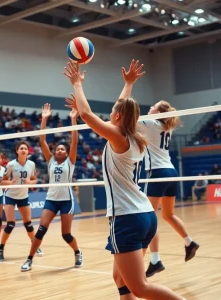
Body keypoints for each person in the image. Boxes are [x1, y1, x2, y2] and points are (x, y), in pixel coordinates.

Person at [62, 61, 186, 300]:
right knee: (120, 280)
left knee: (140, 287)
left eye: (112, 113)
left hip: (127, 218)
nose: (109, 113)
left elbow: (87, 115)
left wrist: (77, 84)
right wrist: (128, 84)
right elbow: (122, 108)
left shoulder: (119, 136)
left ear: (117, 117)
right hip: (144, 216)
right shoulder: (134, 136)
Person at [119, 59, 199, 278]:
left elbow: (126, 113)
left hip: (157, 174)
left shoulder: (152, 123)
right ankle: (189, 242)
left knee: (149, 217)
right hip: (171, 172)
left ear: (158, 111)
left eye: (153, 106)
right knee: (169, 215)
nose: (150, 107)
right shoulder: (165, 128)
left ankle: (154, 260)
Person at [21, 100, 82, 272]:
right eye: (58, 149)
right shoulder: (51, 161)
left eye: (63, 149)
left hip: (66, 201)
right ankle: (29, 260)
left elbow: (75, 141)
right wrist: (44, 119)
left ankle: (77, 252)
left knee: (66, 234)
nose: (60, 150)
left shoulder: (70, 161)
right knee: (41, 230)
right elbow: (42, 141)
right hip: (51, 199)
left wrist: (73, 119)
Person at [0, 141, 43, 261]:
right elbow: (3, 181)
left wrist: (31, 183)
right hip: (10, 196)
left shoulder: (31, 164)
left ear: (28, 151)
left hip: (23, 196)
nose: (23, 150)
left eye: (26, 149)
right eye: (21, 148)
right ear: (17, 151)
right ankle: (0, 249)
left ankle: (35, 246)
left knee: (28, 224)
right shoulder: (11, 164)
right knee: (11, 224)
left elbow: (34, 179)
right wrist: (10, 182)